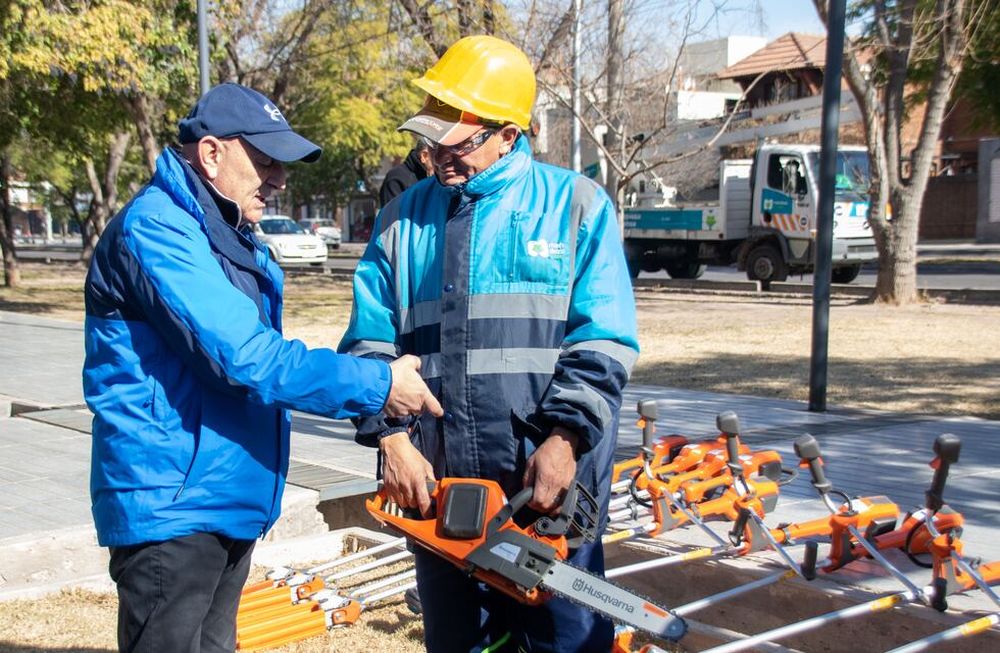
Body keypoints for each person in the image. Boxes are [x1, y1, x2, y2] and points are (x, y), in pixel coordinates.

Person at [83, 82, 441, 653]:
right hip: (174, 504)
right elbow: (245, 358)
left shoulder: (225, 230)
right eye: (266, 162)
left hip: (220, 494)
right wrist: (378, 383)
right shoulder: (157, 227)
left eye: (283, 165)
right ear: (212, 153)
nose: (279, 180)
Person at [339, 36, 638, 653]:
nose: (440, 154)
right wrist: (391, 439)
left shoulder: (576, 207)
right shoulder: (402, 220)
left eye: (460, 140)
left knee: (567, 643)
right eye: (432, 139)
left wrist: (564, 440)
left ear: (509, 133)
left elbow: (604, 339)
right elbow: (368, 343)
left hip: (547, 492)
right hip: (442, 496)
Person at [378, 137, 434, 207]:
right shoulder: (396, 178)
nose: (440, 164)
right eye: (437, 157)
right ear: (424, 156)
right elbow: (392, 214)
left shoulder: (431, 178)